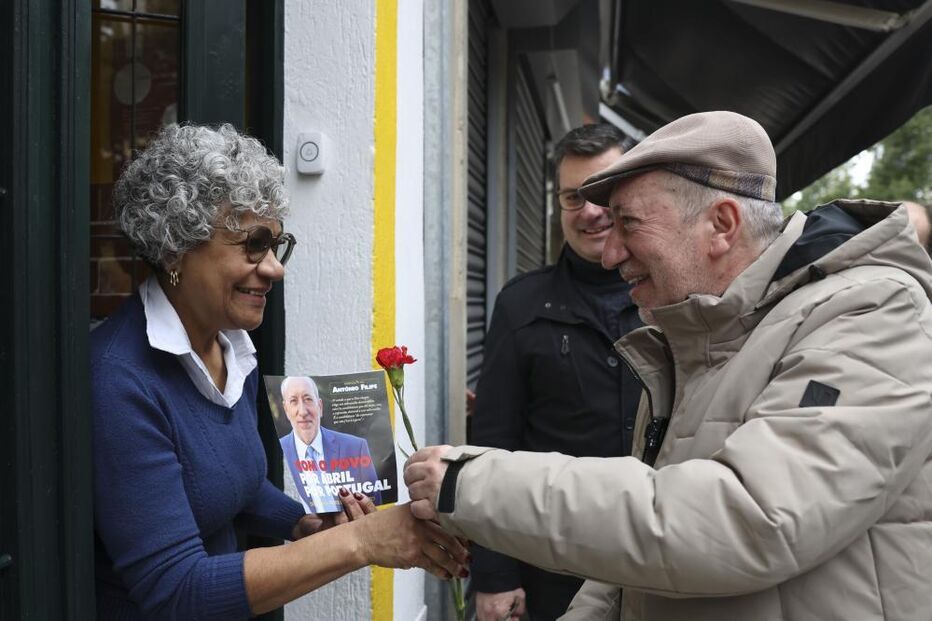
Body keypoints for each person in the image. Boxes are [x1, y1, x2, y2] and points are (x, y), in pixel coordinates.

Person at [404, 111, 932, 620]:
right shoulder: (702, 334)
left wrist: (471, 486)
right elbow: (639, 553)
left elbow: (748, 520)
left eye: (629, 224)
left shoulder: (871, 314)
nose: (610, 254)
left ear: (721, 225)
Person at [91, 123, 467, 620]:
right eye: (253, 244)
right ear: (176, 248)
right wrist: (362, 540)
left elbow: (235, 485)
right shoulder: (118, 378)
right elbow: (177, 589)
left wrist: (301, 524)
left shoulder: (232, 347)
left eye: (276, 245)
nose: (275, 268)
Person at [469, 124, 642, 621]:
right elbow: (492, 446)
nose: (589, 211)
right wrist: (495, 576)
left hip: (656, 557)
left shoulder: (672, 298)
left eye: (601, 192)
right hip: (550, 568)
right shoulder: (522, 304)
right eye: (573, 197)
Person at [279, 375, 382, 510]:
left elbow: (376, 506)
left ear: (320, 406)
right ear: (286, 410)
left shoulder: (356, 447)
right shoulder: (278, 450)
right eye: (293, 401)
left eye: (308, 399)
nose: (303, 412)